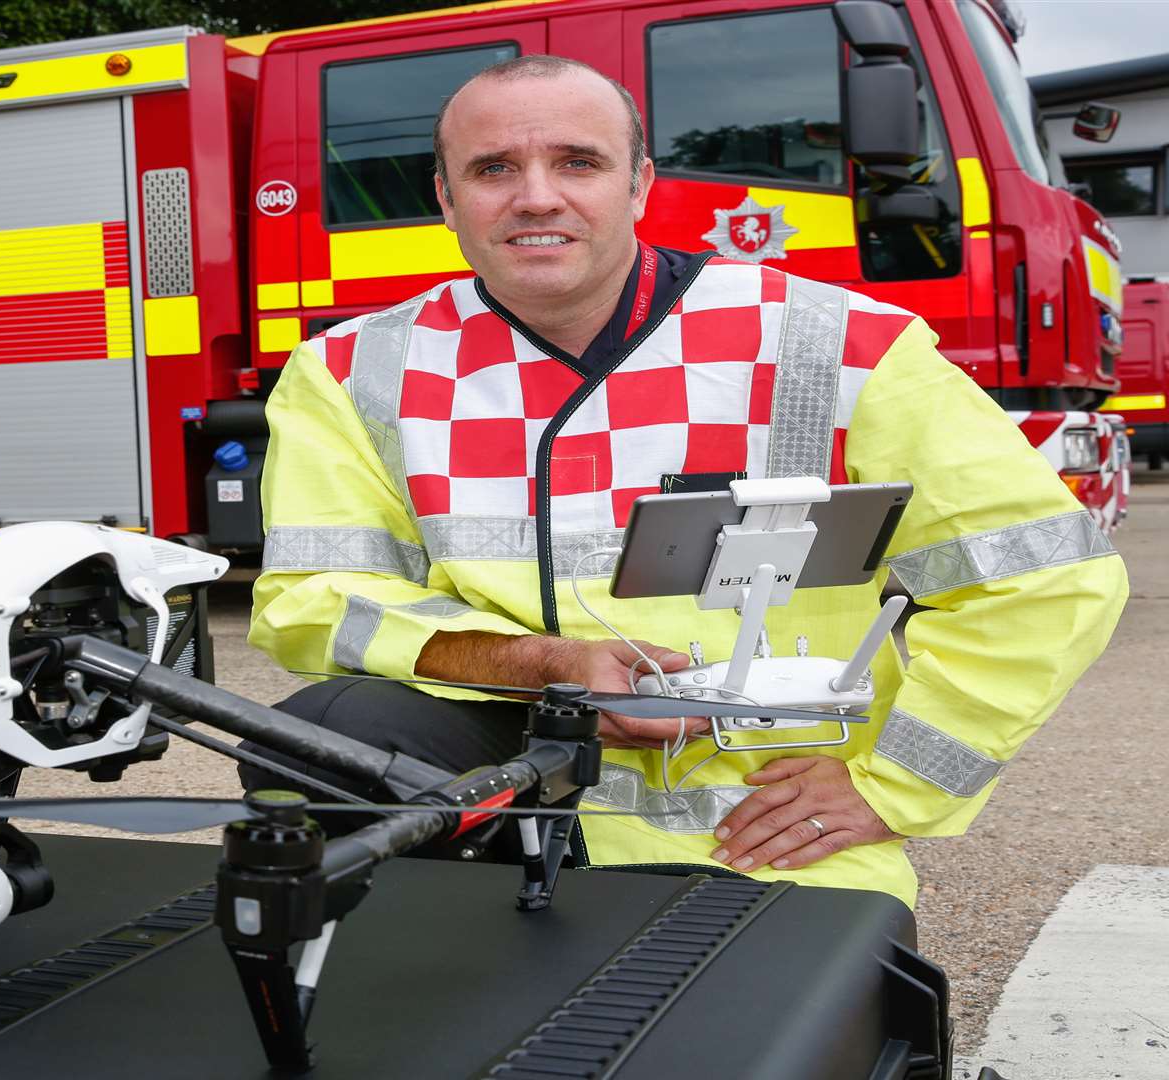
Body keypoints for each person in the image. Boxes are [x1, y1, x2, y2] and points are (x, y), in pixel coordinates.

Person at [242, 55, 1127, 906]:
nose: (536, 196)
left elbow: (1043, 575)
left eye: (578, 162)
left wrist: (891, 787)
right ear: (445, 197)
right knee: (320, 735)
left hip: (748, 831)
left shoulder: (835, 341)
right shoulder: (356, 370)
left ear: (639, 185)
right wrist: (547, 667)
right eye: (493, 168)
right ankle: (436, 950)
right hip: (514, 791)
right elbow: (313, 599)